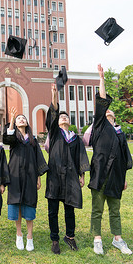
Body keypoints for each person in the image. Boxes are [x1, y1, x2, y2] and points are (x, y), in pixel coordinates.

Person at [83, 64, 133, 255]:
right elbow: (102, 100)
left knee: (115, 210)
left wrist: (124, 178)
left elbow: (125, 158)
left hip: (116, 176)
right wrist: (101, 79)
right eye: (105, 112)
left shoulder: (120, 134)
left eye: (111, 113)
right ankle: (97, 239)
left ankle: (117, 239)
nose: (108, 113)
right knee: (97, 210)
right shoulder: (100, 127)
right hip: (99, 174)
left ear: (114, 117)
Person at [44, 83, 90, 254]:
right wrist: (54, 96)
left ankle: (69, 236)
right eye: (61, 117)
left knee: (69, 208)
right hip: (55, 176)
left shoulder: (75, 139)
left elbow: (81, 157)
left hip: (71, 177)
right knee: (53, 210)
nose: (63, 118)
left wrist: (82, 175)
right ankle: (55, 239)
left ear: (70, 121)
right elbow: (53, 113)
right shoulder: (55, 134)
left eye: (66, 117)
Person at [3, 107, 48, 251]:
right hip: (15, 174)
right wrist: (11, 121)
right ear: (15, 124)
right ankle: (19, 234)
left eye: (23, 118)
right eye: (18, 119)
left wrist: (38, 177)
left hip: (30, 175)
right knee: (17, 203)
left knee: (29, 203)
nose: (21, 119)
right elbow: (7, 139)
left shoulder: (32, 139)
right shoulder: (14, 138)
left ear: (27, 122)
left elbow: (38, 158)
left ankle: (30, 237)